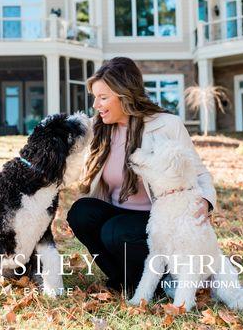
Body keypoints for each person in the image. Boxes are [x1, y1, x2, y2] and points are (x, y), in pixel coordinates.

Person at [67, 56, 216, 295]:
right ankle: (125, 280)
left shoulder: (167, 125)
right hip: (117, 213)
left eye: (103, 98)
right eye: (95, 97)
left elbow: (199, 172)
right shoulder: (100, 128)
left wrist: (207, 202)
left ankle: (157, 282)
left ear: (125, 96)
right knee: (81, 212)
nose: (96, 104)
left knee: (114, 231)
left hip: (158, 217)